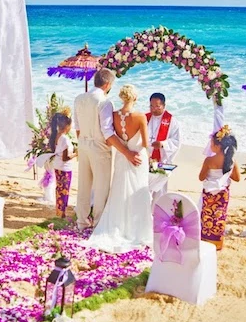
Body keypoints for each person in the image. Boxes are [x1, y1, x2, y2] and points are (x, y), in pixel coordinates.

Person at [87, 84, 153, 253]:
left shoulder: (115, 115)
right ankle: (135, 229)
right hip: (138, 158)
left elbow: (111, 137)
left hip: (122, 157)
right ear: (135, 98)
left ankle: (118, 225)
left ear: (122, 98)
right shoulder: (141, 117)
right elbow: (146, 143)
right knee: (137, 192)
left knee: (119, 191)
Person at [73, 69, 142, 230]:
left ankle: (81, 221)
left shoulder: (79, 98)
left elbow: (77, 128)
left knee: (84, 184)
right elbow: (107, 131)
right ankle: (98, 223)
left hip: (83, 144)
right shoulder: (104, 102)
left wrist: (84, 142)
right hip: (99, 147)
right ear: (108, 84)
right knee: (102, 187)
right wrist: (127, 152)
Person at [198, 125, 240, 251]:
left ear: (217, 146)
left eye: (211, 143)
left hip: (209, 193)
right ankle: (217, 243)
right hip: (222, 193)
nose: (210, 146)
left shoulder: (209, 160)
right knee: (219, 216)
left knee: (207, 215)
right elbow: (237, 178)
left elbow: (201, 177)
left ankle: (205, 239)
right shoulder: (231, 161)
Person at [146, 93, 181, 203]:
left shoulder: (172, 121)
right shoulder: (145, 118)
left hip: (162, 159)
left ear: (164, 105)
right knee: (144, 189)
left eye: (157, 106)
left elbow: (177, 141)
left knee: (159, 192)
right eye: (151, 106)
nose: (153, 109)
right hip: (146, 158)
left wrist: (163, 144)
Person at [48, 113, 77, 218]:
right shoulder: (64, 138)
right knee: (64, 190)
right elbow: (65, 158)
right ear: (67, 126)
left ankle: (59, 211)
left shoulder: (56, 135)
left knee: (59, 189)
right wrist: (76, 154)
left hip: (58, 166)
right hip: (65, 168)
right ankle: (62, 213)